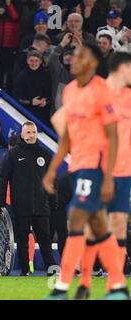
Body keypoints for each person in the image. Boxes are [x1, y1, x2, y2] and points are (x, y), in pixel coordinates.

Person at [43, 42, 129, 300]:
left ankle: (63, 287)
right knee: (96, 225)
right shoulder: (70, 91)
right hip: (80, 164)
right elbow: (66, 133)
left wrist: (108, 174)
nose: (74, 59)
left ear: (93, 63)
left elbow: (112, 135)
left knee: (82, 217)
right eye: (73, 55)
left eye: (81, 56)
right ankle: (114, 285)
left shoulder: (103, 91)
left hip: (100, 165)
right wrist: (52, 169)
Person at [75, 51, 131, 299]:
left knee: (119, 225)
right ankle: (85, 281)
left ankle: (115, 283)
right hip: (97, 169)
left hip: (124, 171)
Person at [0, 122, 57, 276]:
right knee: (22, 240)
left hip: (42, 206)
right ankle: (25, 271)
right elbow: (3, 179)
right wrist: (1, 203)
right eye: (28, 132)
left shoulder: (45, 154)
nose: (31, 135)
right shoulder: (13, 154)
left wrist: (54, 202)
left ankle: (51, 269)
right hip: (21, 206)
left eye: (33, 132)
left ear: (37, 133)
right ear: (22, 135)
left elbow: (52, 181)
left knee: (45, 240)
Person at [13, 50, 52, 127]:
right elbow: (17, 96)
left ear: (40, 61)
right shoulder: (21, 76)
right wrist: (31, 102)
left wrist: (45, 100)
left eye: (36, 61)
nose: (33, 63)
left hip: (42, 113)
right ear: (27, 61)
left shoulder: (46, 75)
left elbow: (49, 92)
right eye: (31, 60)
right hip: (26, 112)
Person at [0, 0, 20, 90]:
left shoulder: (17, 3)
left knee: (10, 71)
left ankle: (10, 93)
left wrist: (9, 5)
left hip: (12, 43)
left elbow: (16, 17)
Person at [48, 33, 75, 110]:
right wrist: (62, 44)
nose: (69, 60)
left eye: (71, 59)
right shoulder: (58, 71)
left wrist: (81, 48)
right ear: (63, 59)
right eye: (67, 59)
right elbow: (53, 59)